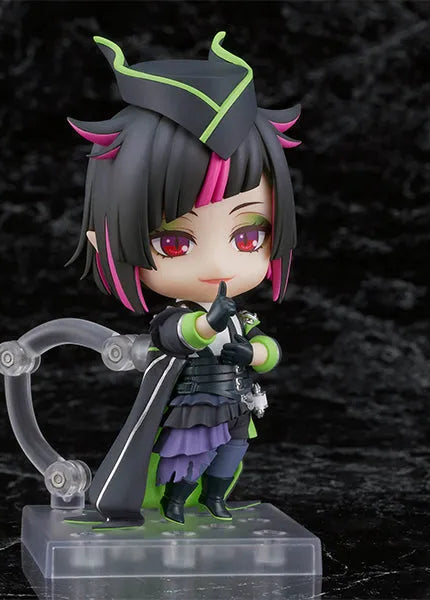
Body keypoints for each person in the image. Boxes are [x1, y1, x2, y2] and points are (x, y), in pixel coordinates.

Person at [67, 32, 300, 525]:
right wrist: (209, 324)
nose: (218, 264)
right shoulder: (180, 315)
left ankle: (215, 501)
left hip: (235, 399)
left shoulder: (241, 318)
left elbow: (269, 350)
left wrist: (254, 353)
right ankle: (175, 503)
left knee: (230, 455)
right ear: (105, 240)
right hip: (195, 402)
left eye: (247, 237)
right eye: (174, 243)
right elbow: (174, 336)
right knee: (187, 458)